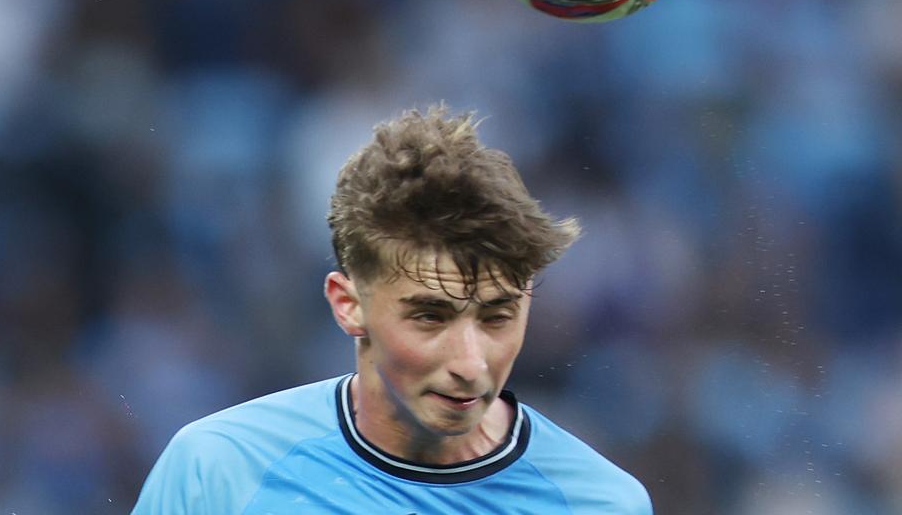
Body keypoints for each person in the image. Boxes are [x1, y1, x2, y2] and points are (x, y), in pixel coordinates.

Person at [131, 106, 652, 514]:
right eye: (430, 316)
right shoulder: (219, 472)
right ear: (348, 304)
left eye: (497, 316)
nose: (471, 364)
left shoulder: (600, 503)